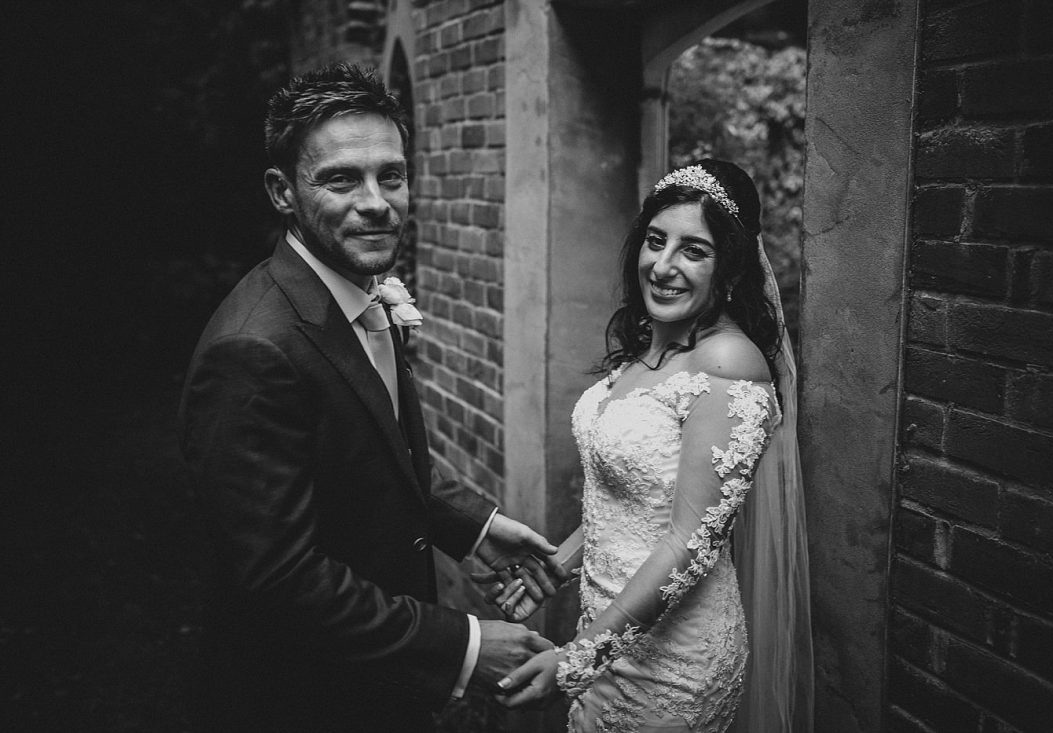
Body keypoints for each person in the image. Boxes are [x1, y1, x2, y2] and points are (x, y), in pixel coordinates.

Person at [178, 63, 566, 733]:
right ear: (282, 191)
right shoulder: (254, 350)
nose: (377, 201)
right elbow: (280, 578)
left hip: (377, 693)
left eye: (391, 175)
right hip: (298, 699)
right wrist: (466, 644)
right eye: (341, 179)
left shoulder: (358, 294)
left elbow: (363, 451)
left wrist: (470, 525)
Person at [479, 160, 814, 731]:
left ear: (728, 271)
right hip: (609, 629)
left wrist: (575, 661)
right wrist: (555, 567)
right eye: (656, 241)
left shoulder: (728, 365)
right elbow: (640, 501)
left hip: (673, 663)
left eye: (693, 250)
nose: (663, 265)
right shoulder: (646, 354)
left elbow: (691, 540)